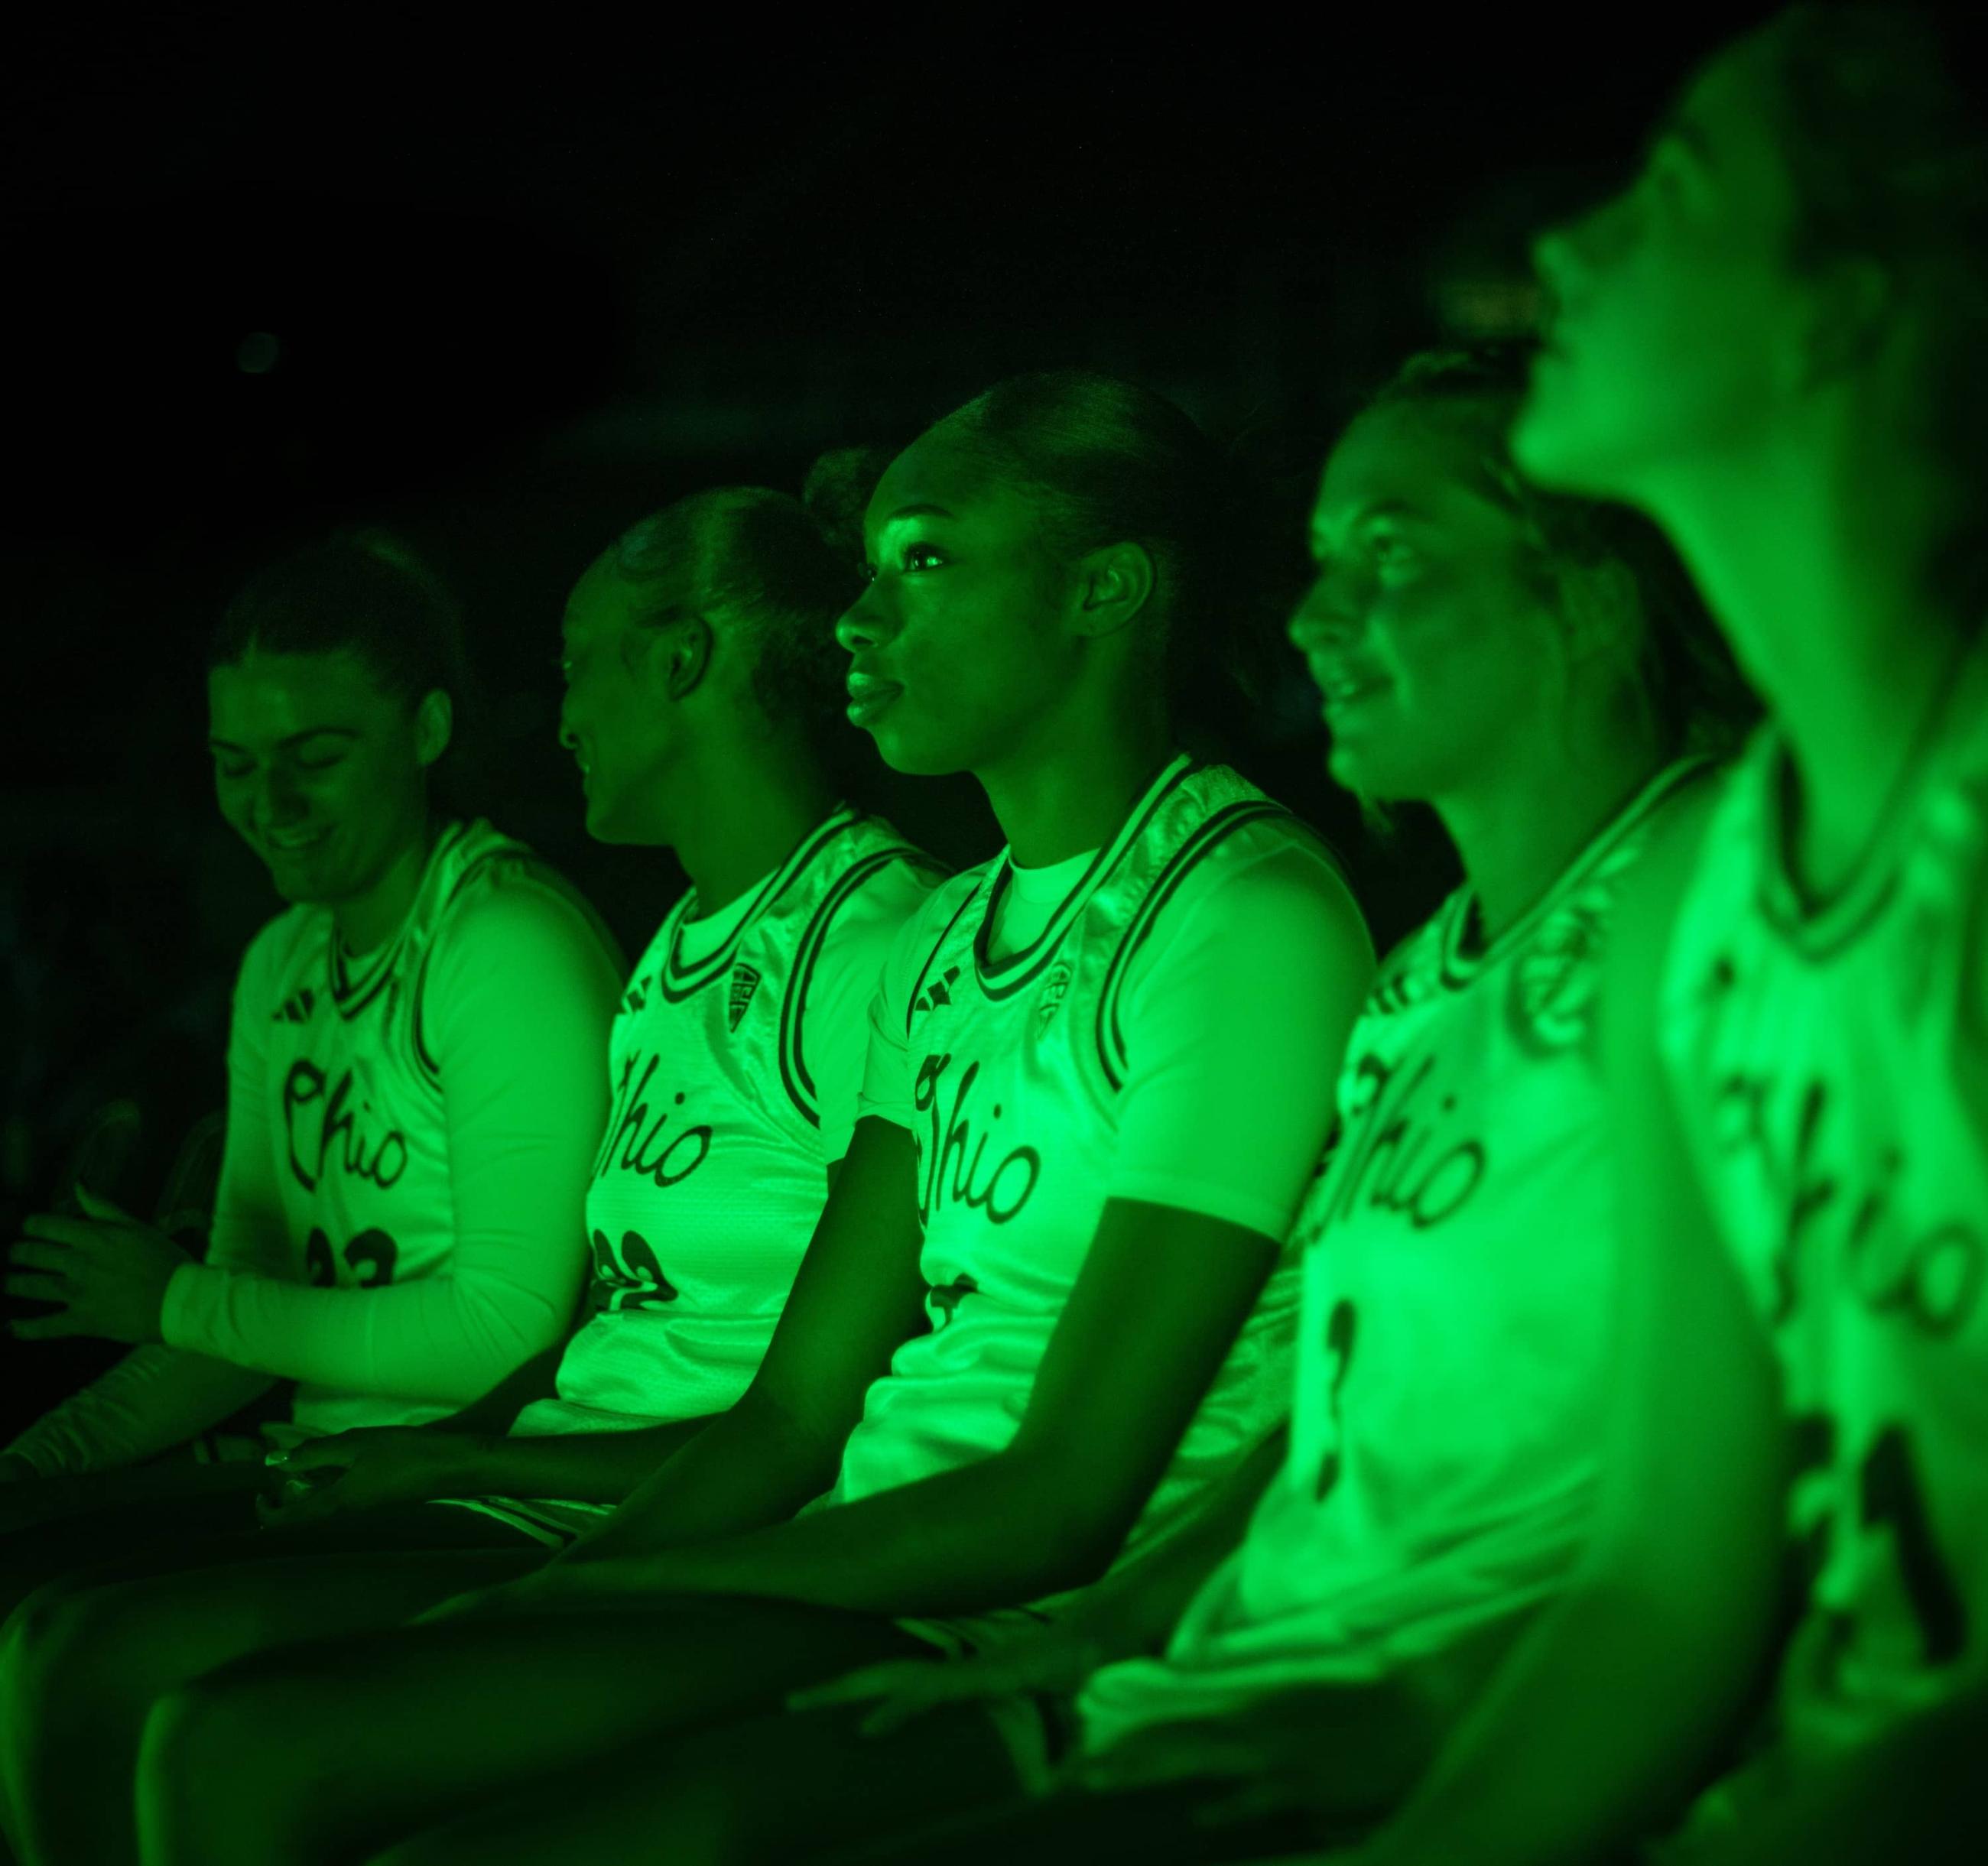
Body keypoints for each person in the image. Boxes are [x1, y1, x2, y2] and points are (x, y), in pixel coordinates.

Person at [125, 367, 1376, 1866]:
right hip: (870, 1541)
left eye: (922, 564)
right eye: (867, 578)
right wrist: (559, 1587)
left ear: (1104, 588)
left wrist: (607, 1581)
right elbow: (796, 1409)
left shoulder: (1239, 911)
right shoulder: (948, 933)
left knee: (299, 1756)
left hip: (1032, 1607)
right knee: (239, 1733)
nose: (855, 621)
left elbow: (1062, 1495)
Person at [713, 338, 1751, 1866]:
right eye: (1320, 556)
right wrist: (1126, 1625)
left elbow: (1735, 1489)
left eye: (1387, 555)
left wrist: (1441, 1705)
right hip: (1232, 1646)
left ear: (1592, 582)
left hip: (1433, 1698)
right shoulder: (1422, 977)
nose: (1316, 613)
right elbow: (1329, 1400)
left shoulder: (1693, 914)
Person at [0, 479, 946, 1866]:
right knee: (61, 1625)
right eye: (231, 759)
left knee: (162, 1692)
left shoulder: (853, 938)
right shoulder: (682, 941)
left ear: (681, 661)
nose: (556, 715)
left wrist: (404, 1430)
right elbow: (594, 1319)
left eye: (574, 666)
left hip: (676, 1501)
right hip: (545, 1460)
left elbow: (801, 1397)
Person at [1286, 8, 1988, 1864]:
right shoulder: (1709, 888)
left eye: (1665, 199)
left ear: (1840, 306)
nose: (1568, 251)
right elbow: (1664, 1593)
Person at [0, 529, 623, 1582]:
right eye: (235, 765)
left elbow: (508, 1325)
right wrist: (40, 1461)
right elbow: (243, 1319)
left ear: (426, 728)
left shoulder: (502, 942)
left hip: (490, 1486)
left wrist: (175, 1300)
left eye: (316, 759)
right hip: (316, 1466)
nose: (270, 805)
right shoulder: (282, 959)